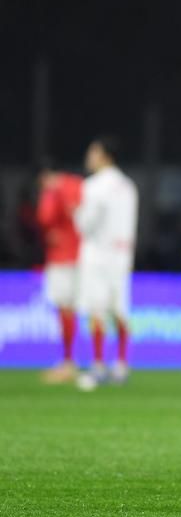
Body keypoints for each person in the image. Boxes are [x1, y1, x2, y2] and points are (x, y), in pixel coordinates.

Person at [74, 137, 138, 391]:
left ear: (105, 156)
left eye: (93, 152)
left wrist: (75, 213)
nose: (89, 157)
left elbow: (85, 224)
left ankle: (98, 366)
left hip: (98, 255)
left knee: (97, 310)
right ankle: (121, 365)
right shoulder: (128, 186)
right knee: (120, 309)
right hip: (121, 255)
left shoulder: (93, 186)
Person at [36, 163, 83, 384]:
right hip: (81, 255)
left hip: (62, 257)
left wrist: (49, 195)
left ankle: (68, 363)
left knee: (64, 308)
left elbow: (44, 217)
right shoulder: (80, 185)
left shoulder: (55, 190)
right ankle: (87, 362)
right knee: (73, 308)